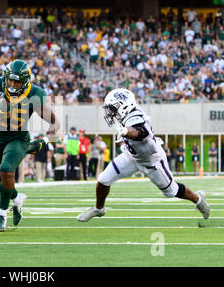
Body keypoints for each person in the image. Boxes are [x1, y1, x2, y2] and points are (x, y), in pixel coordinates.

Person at [77, 88, 210, 222]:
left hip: (151, 161)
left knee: (172, 191)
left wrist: (125, 131)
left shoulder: (136, 117)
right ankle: (99, 209)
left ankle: (198, 199)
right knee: (103, 180)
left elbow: (139, 132)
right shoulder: (125, 116)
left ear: (124, 106)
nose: (111, 111)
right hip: (131, 157)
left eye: (113, 108)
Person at [0, 59, 60, 231]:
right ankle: (17, 199)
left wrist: (45, 141)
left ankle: (1, 213)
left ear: (25, 82)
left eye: (16, 81)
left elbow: (56, 123)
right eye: (9, 79)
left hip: (18, 138)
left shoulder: (35, 94)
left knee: (6, 168)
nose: (11, 83)